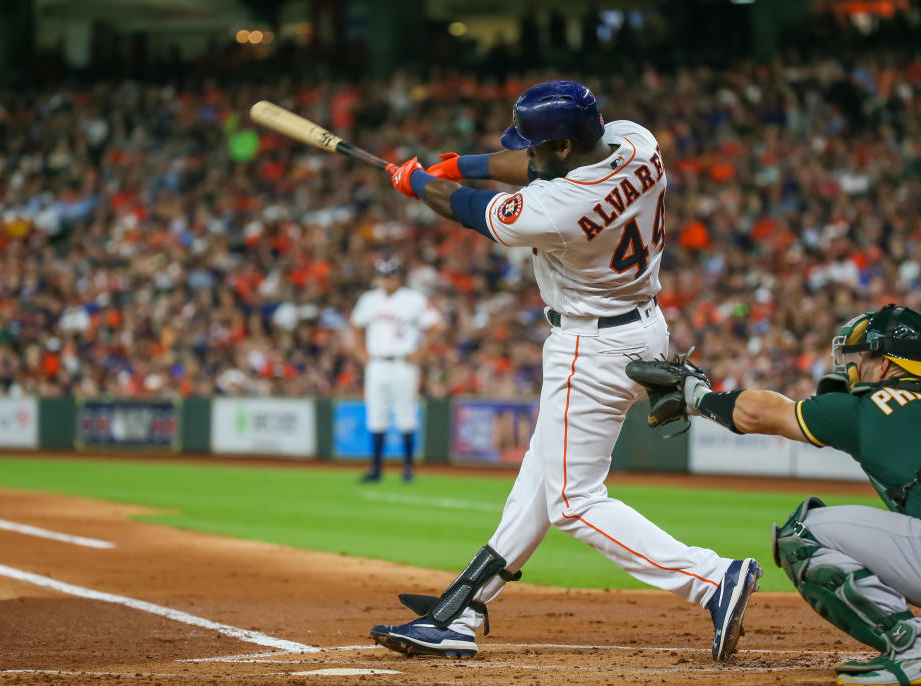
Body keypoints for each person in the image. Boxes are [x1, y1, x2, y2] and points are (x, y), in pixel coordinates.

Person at [369, 80, 760, 661]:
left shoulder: (561, 207)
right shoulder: (636, 142)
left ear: (562, 149)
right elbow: (529, 167)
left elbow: (473, 210)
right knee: (540, 479)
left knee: (573, 501)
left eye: (536, 147)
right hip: (641, 325)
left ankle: (711, 579)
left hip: (592, 344)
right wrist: (461, 163)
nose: (528, 155)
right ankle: (466, 606)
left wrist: (419, 181)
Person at [626, 304, 921, 686]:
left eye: (861, 356)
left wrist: (696, 395)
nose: (852, 366)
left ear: (884, 366)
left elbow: (765, 412)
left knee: (804, 533)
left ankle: (911, 647)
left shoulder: (873, 407)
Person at [350, 257, 442, 483]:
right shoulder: (369, 299)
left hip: (403, 363)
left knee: (406, 414)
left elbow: (437, 324)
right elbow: (355, 324)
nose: (386, 280)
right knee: (376, 414)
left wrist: (420, 352)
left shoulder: (412, 299)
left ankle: (408, 468)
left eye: (390, 275)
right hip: (377, 363)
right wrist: (361, 351)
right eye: (382, 276)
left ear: (398, 277)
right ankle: (376, 469)